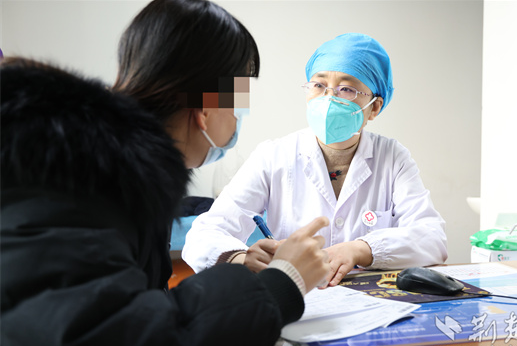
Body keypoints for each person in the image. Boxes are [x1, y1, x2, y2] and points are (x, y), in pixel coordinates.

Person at [0, 0, 329, 346]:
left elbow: (131, 305)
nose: (239, 116)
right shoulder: (67, 173)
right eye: (238, 99)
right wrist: (281, 283)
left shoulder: (117, 172)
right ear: (206, 107)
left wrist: (247, 271)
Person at [183, 33, 448, 286]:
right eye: (319, 85)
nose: (328, 98)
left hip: (373, 300)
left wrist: (361, 249)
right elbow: (205, 234)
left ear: (375, 107)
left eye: (346, 89)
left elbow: (432, 238)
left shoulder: (392, 157)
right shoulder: (274, 155)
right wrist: (241, 258)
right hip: (295, 296)